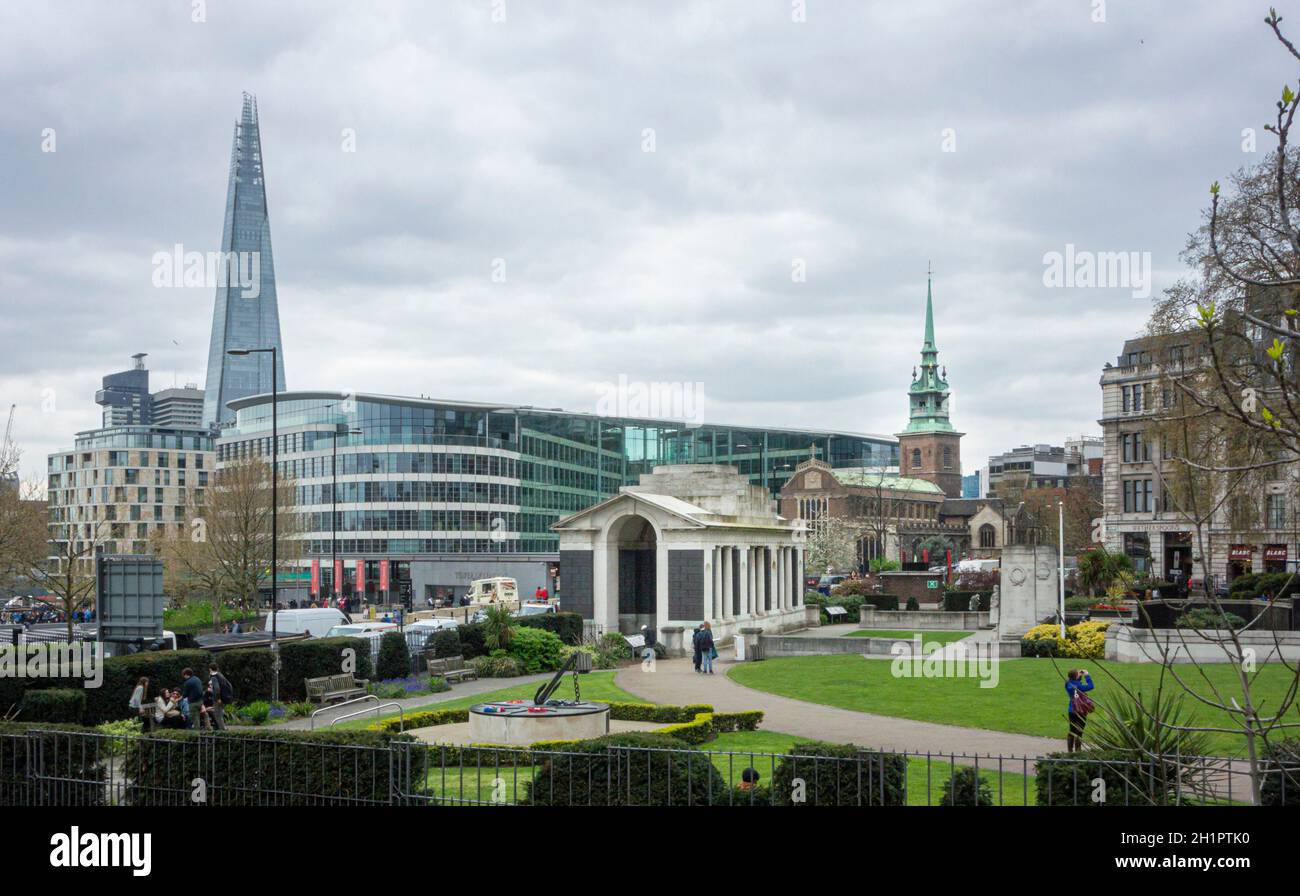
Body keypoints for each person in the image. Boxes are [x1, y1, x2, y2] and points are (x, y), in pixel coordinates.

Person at [1065, 668, 1095, 753]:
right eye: (1078, 673)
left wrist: (1078, 676)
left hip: (1071, 710)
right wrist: (1087, 675)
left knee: (1072, 729)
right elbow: (1091, 686)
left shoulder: (1068, 684)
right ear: (1076, 676)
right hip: (1080, 711)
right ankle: (1078, 751)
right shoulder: (1079, 686)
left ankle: (1070, 751)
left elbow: (1072, 680)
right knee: (1080, 730)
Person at [207, 663, 232, 730]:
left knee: (217, 714)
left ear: (210, 669)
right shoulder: (220, 675)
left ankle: (222, 729)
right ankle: (222, 728)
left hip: (217, 698)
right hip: (224, 697)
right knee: (220, 713)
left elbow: (217, 688)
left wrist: (218, 698)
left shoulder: (214, 677)